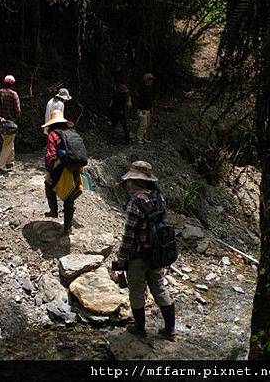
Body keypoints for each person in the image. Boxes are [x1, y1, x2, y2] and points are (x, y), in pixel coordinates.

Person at [115, 161, 176, 341]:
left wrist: (121, 257)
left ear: (135, 181)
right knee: (159, 287)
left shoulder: (136, 202)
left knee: (136, 290)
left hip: (138, 256)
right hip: (157, 253)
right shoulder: (159, 197)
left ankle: (140, 329)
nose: (127, 184)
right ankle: (170, 329)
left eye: (130, 181)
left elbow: (129, 234)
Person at [41, 110, 83, 233]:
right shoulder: (71, 132)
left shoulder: (53, 134)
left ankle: (53, 211)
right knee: (70, 196)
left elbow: (51, 156)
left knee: (48, 184)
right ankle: (68, 228)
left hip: (62, 167)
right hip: (76, 166)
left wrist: (49, 171)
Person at [0, 75, 21, 175]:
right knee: (7, 143)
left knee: (9, 142)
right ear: (13, 84)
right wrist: (14, 119)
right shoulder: (14, 94)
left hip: (0, 125)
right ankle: (0, 167)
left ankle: (9, 163)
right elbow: (18, 111)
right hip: (10, 124)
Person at [136, 73, 155, 143]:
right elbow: (141, 100)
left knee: (147, 124)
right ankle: (139, 138)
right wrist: (142, 108)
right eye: (150, 80)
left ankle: (144, 137)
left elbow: (149, 99)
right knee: (143, 124)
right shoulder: (141, 88)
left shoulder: (149, 88)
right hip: (142, 109)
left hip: (148, 109)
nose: (151, 82)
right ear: (147, 80)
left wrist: (151, 107)